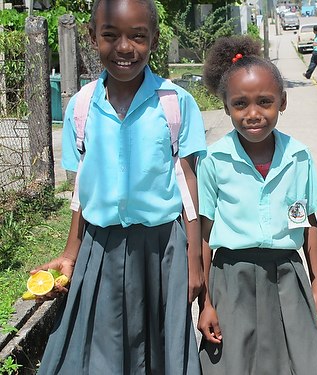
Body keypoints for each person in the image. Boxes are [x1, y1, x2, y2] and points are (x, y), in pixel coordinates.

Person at [32, 0, 206, 373]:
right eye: (110, 35)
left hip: (162, 248)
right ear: (93, 38)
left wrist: (194, 263)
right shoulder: (81, 106)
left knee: (162, 350)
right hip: (101, 247)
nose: (124, 47)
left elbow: (188, 186)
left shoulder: (175, 103)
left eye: (138, 36)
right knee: (101, 350)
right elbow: (83, 188)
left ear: (154, 40)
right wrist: (70, 253)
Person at [197, 35, 317, 375]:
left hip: (287, 275)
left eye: (265, 102)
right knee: (229, 365)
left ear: (282, 102)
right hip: (230, 280)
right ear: (225, 106)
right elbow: (204, 235)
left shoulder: (300, 157)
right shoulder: (213, 160)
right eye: (240, 104)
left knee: (294, 363)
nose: (253, 114)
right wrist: (206, 303)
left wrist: (315, 289)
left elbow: (309, 225)